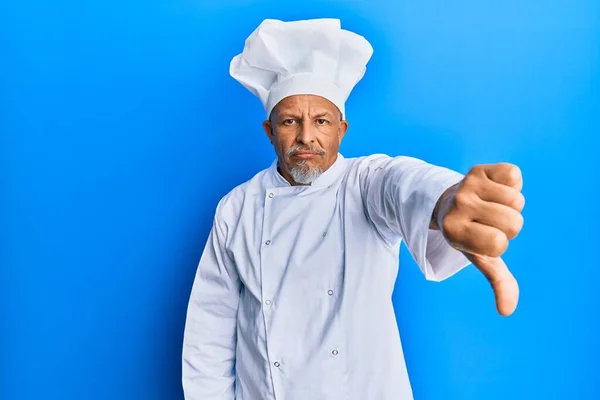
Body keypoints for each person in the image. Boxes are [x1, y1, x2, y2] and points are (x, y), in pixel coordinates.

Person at [181, 18, 524, 400]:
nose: (306, 136)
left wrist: (444, 201)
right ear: (269, 131)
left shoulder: (365, 183)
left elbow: (402, 184)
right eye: (290, 121)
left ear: (341, 130)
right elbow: (208, 333)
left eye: (321, 121)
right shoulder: (236, 208)